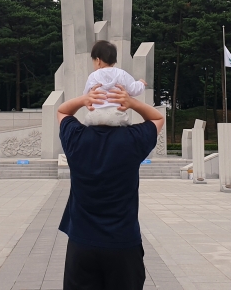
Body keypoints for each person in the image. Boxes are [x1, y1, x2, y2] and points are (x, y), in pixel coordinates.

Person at [57, 80, 164, 289]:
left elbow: (62, 112)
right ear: (120, 111)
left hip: (82, 243)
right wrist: (131, 102)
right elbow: (157, 117)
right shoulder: (133, 139)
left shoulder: (76, 138)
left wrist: (84, 98)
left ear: (91, 109)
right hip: (123, 243)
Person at [81, 40, 146, 126]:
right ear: (114, 61)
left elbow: (86, 95)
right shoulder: (121, 74)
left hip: (95, 114)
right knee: (126, 126)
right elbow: (133, 89)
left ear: (98, 60)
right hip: (117, 114)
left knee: (86, 126)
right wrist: (141, 84)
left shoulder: (92, 76)